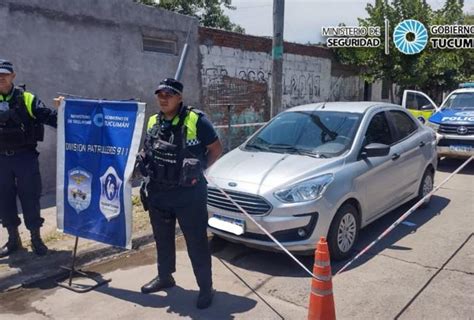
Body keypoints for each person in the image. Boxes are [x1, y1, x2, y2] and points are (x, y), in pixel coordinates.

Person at [138, 78, 222, 309]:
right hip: (158, 193)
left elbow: (216, 149)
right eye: (160, 94)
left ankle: (206, 288)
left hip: (189, 195)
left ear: (180, 97)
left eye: (169, 94)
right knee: (162, 240)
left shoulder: (197, 119)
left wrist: (198, 170)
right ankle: (165, 276)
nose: (163, 98)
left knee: (196, 243)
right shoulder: (154, 120)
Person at [0, 59, 58, 257]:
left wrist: (67, 113)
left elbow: (49, 117)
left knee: (30, 197)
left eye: (4, 74)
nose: (1, 77)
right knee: (4, 200)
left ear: (13, 76)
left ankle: (36, 238)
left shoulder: (27, 98)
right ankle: (13, 239)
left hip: (25, 157)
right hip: (1, 160)